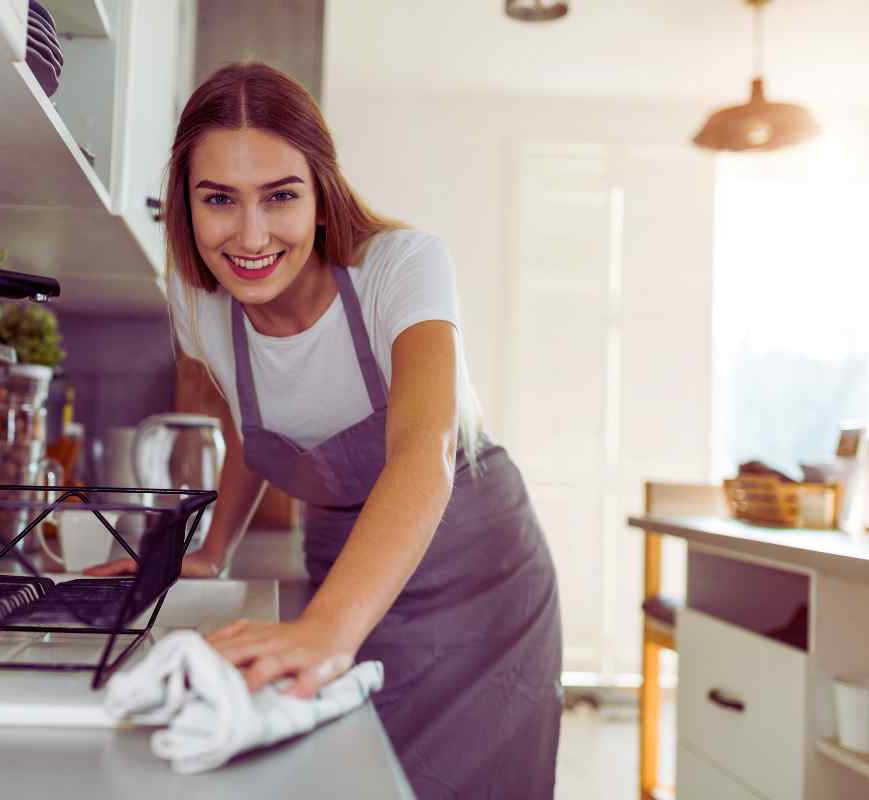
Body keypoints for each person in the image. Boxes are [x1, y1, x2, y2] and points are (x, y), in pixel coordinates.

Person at [86, 62, 562, 799]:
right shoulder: (197, 300)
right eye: (219, 200)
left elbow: (424, 448)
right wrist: (212, 551)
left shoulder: (400, 268)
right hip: (344, 561)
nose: (250, 235)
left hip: (475, 573)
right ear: (185, 202)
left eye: (280, 197)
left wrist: (329, 630)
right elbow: (254, 426)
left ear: (321, 193)